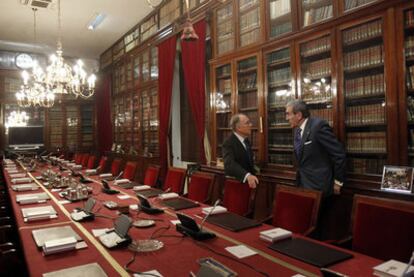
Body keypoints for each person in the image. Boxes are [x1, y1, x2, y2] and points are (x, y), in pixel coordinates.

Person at [285, 99, 346, 196]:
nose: (286, 118)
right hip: (303, 183)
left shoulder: (318, 126)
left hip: (319, 186)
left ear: (299, 115)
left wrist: (338, 182)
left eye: (288, 114)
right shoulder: (297, 131)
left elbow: (339, 154)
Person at [223, 114, 259, 189]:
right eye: (247, 123)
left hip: (249, 184)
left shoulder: (246, 141)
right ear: (238, 127)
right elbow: (229, 165)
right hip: (237, 186)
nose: (251, 125)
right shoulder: (229, 142)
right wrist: (247, 175)